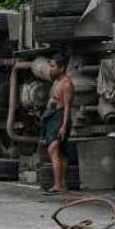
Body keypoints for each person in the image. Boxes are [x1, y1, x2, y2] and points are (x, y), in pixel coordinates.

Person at [40, 54, 73, 195]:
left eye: (53, 66)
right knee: (60, 152)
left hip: (60, 118)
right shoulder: (56, 81)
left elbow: (67, 107)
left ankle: (58, 185)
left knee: (53, 150)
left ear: (61, 68)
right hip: (52, 117)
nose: (51, 69)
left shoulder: (66, 84)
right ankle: (62, 184)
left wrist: (64, 126)